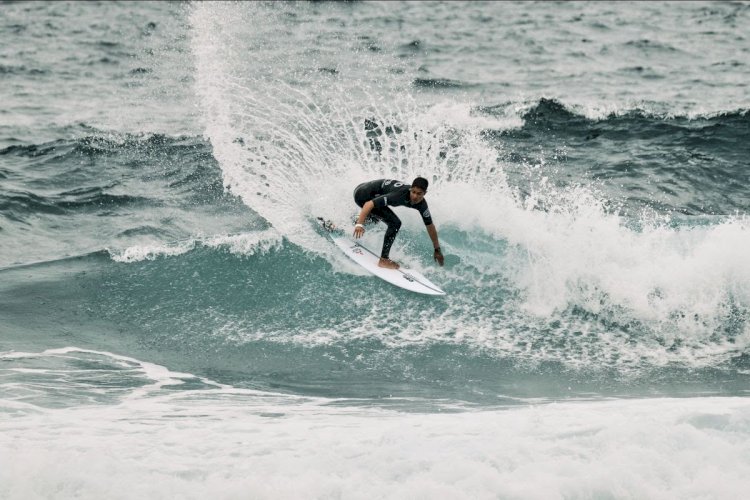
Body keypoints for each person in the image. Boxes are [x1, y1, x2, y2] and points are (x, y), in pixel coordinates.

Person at [353, 177, 444, 269]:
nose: (415, 196)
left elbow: (430, 226)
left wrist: (437, 249)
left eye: (419, 194)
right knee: (395, 223)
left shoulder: (422, 205)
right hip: (362, 195)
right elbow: (369, 204)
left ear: (425, 193)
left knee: (376, 218)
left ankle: (347, 223)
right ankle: (383, 260)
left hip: (365, 189)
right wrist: (359, 225)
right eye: (413, 192)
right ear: (410, 189)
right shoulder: (399, 195)